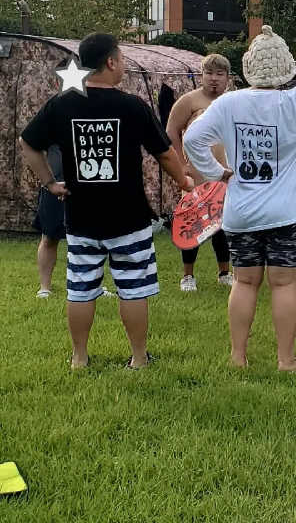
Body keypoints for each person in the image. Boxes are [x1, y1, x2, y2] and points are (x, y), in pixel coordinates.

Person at [183, 13, 296, 372]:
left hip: (241, 209)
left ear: (247, 67)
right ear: (286, 69)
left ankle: (238, 357)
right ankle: (286, 360)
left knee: (244, 281)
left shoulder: (228, 104)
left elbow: (192, 139)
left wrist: (217, 173)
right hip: (285, 211)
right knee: (283, 282)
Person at [19, 33, 193, 369]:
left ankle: (79, 358)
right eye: (121, 60)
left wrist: (51, 184)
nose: (124, 66)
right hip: (129, 218)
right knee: (133, 290)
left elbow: (29, 144)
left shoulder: (62, 104)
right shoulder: (131, 106)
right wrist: (185, 182)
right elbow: (166, 155)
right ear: (111, 61)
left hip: (81, 216)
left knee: (81, 289)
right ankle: (139, 359)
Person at [166, 53, 234, 291]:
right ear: (201, 75)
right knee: (192, 222)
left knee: (222, 224)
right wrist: (180, 162)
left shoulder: (232, 101)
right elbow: (172, 131)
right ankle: (187, 276)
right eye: (209, 73)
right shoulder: (189, 101)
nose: (214, 79)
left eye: (219, 74)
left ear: (228, 78)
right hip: (195, 173)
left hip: (226, 171)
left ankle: (225, 271)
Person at [32, 145, 65, 298]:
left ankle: (94, 286)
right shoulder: (51, 120)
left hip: (89, 184)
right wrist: (47, 180)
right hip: (54, 185)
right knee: (49, 237)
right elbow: (30, 143)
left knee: (91, 239)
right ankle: (45, 288)